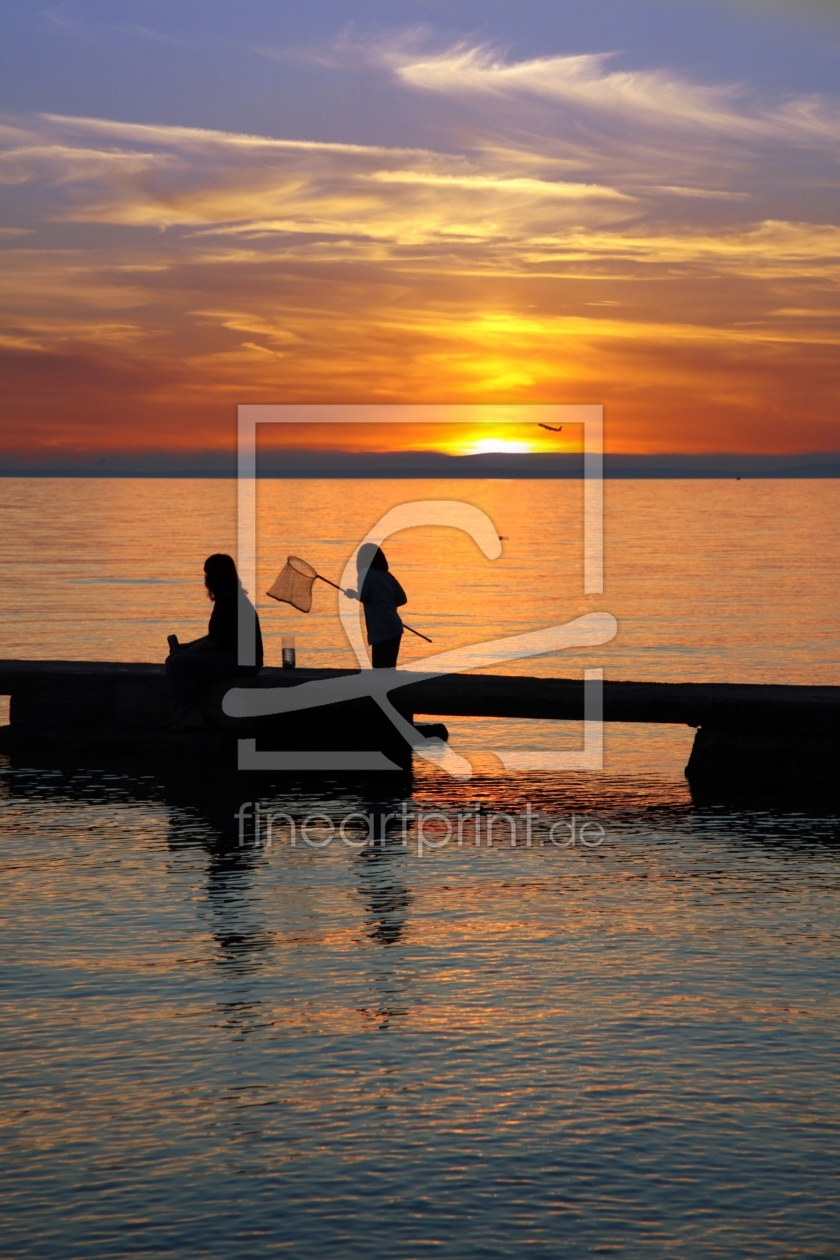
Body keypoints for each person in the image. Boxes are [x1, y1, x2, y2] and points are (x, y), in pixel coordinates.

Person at [166, 553, 263, 729]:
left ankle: (193, 714)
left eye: (208, 574)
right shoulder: (231, 598)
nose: (206, 579)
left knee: (177, 663)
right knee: (177, 660)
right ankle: (183, 710)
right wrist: (189, 646)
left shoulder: (229, 601)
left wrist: (184, 652)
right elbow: (217, 636)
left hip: (241, 661)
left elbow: (214, 643)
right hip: (237, 657)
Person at [345, 543, 407, 668]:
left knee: (379, 668)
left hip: (380, 629)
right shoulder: (388, 576)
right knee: (390, 667)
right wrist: (386, 604)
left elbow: (364, 596)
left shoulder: (365, 574)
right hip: (395, 626)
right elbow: (402, 599)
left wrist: (353, 594)